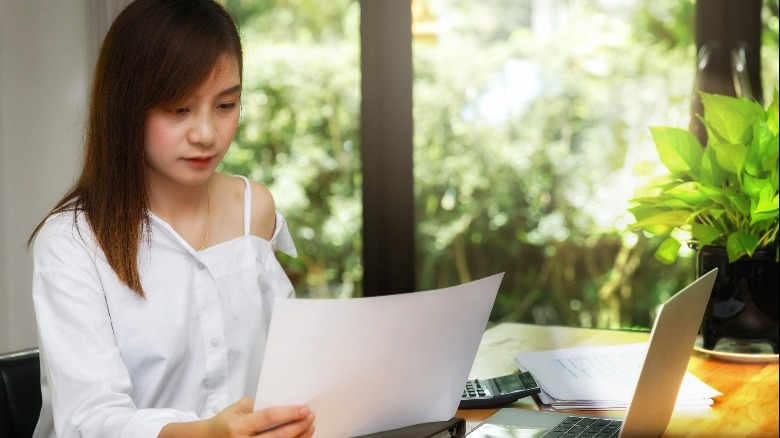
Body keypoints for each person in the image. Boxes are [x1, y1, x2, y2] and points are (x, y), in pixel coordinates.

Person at [27, 0, 315, 436]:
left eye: (226, 105)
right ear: (126, 106)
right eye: (179, 109)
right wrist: (209, 433)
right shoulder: (73, 240)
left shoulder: (253, 208)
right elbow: (92, 420)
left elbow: (289, 365)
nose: (206, 134)